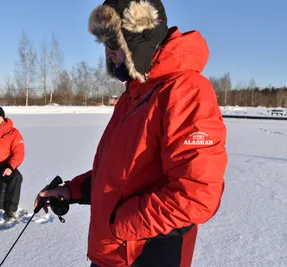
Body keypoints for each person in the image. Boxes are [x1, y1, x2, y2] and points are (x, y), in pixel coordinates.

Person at [35, 0, 227, 267]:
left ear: (139, 39)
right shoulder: (134, 94)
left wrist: (119, 224)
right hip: (112, 254)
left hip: (146, 255)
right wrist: (72, 190)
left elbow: (196, 195)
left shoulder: (185, 91)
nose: (108, 54)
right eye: (105, 45)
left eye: (114, 44)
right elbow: (122, 175)